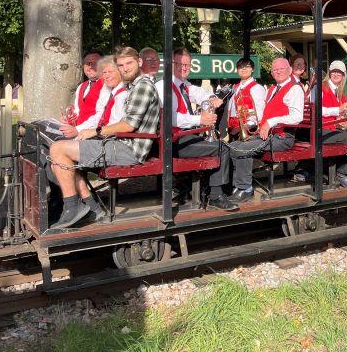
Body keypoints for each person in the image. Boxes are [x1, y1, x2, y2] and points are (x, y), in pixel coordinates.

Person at [47, 47, 160, 229]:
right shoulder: (133, 86)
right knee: (59, 157)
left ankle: (73, 207)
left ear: (139, 62)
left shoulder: (143, 86)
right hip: (119, 143)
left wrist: (96, 132)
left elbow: (128, 125)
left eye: (128, 64)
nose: (125, 69)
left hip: (129, 149)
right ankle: (90, 207)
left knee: (58, 150)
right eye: (121, 65)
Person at [221, 58, 305, 203]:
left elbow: (297, 117)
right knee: (233, 146)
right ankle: (237, 185)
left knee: (242, 149)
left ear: (289, 70)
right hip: (267, 135)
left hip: (283, 138)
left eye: (282, 69)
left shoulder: (295, 88)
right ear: (272, 73)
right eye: (275, 69)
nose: (278, 71)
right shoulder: (272, 89)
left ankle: (245, 189)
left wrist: (271, 122)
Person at [155, 47, 230, 208]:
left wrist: (211, 98)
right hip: (173, 141)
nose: (184, 68)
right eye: (180, 64)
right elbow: (170, 118)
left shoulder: (183, 84)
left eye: (187, 65)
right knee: (222, 148)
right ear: (170, 64)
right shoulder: (164, 86)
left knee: (213, 145)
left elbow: (199, 92)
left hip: (183, 138)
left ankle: (202, 189)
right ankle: (216, 195)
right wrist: (200, 119)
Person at [309, 60, 347, 187]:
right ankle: (340, 174)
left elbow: (339, 116)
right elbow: (316, 110)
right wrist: (339, 109)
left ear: (343, 75)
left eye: (339, 72)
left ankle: (341, 171)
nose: (336, 74)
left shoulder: (340, 93)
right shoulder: (319, 87)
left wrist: (343, 123)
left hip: (331, 128)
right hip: (319, 129)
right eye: (334, 71)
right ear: (330, 73)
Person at [225, 58, 266, 140]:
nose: (244, 69)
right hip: (233, 130)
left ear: (252, 69)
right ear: (237, 70)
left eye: (247, 66)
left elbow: (260, 112)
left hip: (250, 130)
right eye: (241, 67)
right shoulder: (234, 87)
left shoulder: (257, 88)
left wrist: (246, 127)